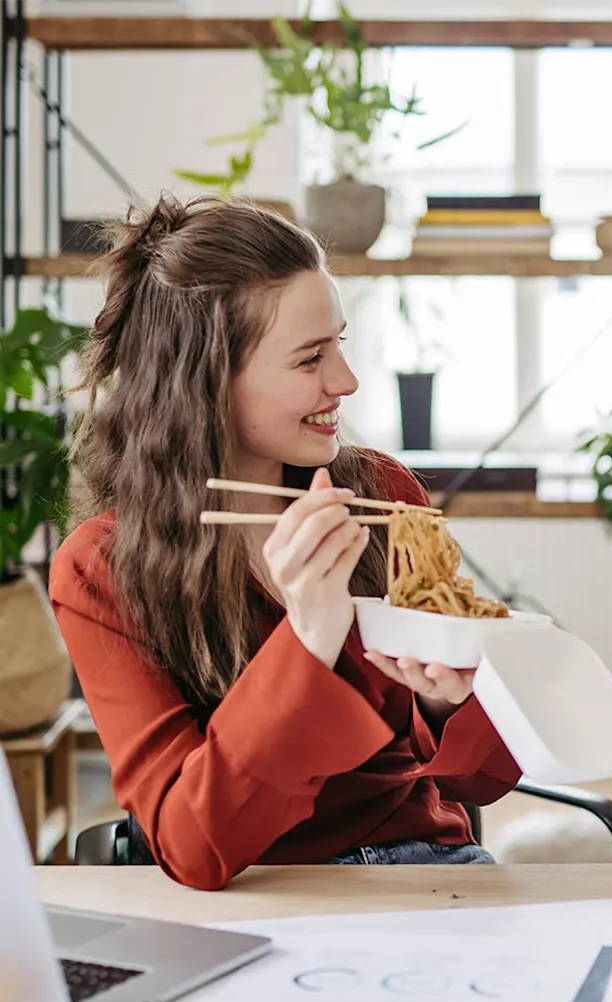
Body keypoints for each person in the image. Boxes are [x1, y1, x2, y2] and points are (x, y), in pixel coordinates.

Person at [49, 195, 520, 891]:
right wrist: (306, 640)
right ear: (205, 381)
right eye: (309, 359)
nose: (345, 381)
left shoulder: (383, 495)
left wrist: (450, 698)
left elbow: (485, 780)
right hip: (246, 894)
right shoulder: (101, 568)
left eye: (340, 343)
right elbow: (191, 846)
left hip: (425, 868)